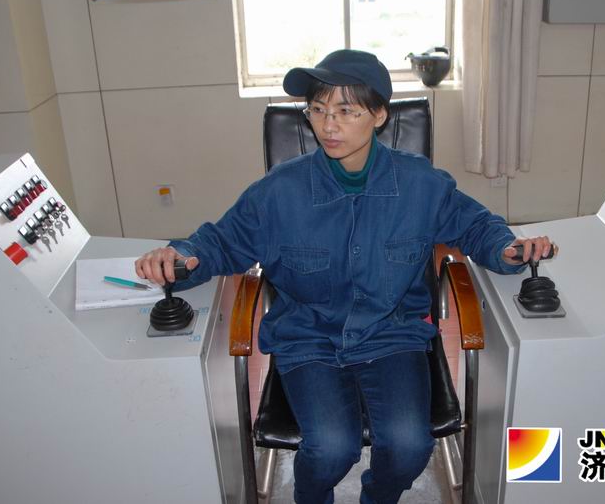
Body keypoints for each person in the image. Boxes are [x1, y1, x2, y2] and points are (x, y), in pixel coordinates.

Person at [135, 49, 555, 504]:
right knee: (331, 448)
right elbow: (220, 242)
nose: (328, 126)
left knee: (410, 446)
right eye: (317, 110)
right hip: (309, 337)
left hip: (391, 334)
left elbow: (475, 226)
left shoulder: (420, 184)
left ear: (379, 115)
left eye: (346, 111)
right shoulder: (279, 192)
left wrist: (507, 249)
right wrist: (179, 256)